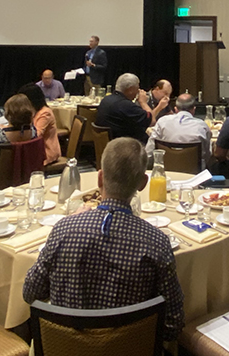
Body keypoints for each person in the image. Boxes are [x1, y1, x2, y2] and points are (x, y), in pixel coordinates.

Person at [23, 137, 185, 340]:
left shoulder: (63, 230)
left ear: (100, 178)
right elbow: (173, 324)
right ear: (143, 184)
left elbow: (30, 293)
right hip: (132, 355)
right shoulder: (156, 242)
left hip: (64, 354)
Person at [146, 94, 211, 170]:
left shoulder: (162, 121)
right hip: (194, 173)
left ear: (175, 109)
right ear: (194, 109)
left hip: (165, 172)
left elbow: (149, 151)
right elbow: (206, 154)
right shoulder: (202, 126)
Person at [95, 73, 164, 143]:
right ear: (131, 89)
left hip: (108, 143)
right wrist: (143, 102)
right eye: (137, 88)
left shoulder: (106, 99)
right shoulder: (126, 106)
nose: (138, 91)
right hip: (126, 145)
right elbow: (152, 122)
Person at [19, 84, 63, 166]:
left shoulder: (45, 113)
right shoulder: (32, 111)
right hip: (34, 148)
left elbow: (36, 135)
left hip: (46, 151)